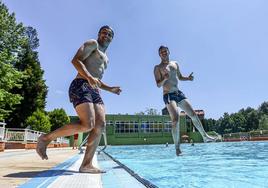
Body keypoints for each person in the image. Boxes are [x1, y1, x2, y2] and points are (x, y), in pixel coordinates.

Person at [36, 25, 121, 173]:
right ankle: (45, 138)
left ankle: (86, 165)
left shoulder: (106, 58)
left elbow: (97, 80)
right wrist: (88, 77)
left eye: (109, 35)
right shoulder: (92, 44)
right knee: (88, 124)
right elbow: (76, 60)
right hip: (80, 84)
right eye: (103, 33)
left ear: (112, 39)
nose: (105, 36)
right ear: (99, 34)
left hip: (94, 89)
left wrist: (110, 89)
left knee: (100, 125)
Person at [154, 45, 216, 156]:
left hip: (179, 93)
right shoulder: (157, 67)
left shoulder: (175, 64)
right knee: (175, 119)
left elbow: (180, 77)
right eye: (161, 52)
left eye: (165, 51)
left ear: (168, 52)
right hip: (168, 95)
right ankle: (177, 149)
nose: (163, 53)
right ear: (159, 55)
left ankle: (205, 137)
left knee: (193, 114)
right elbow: (158, 84)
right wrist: (164, 78)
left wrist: (188, 78)